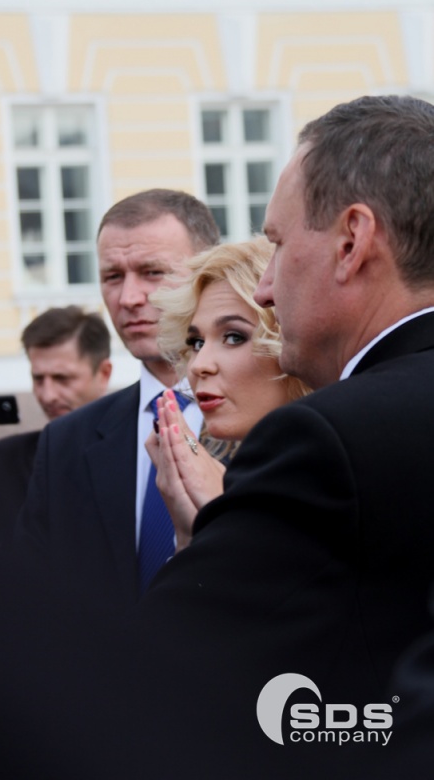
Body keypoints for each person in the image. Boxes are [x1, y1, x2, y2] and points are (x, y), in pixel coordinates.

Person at [125, 94, 434, 775]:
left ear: (352, 242)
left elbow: (165, 673)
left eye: (278, 245)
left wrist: (211, 539)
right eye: (195, 341)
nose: (266, 288)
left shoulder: (328, 436)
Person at [16, 188, 220, 608]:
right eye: (112, 276)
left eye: (152, 272)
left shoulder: (277, 421)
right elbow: (29, 596)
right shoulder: (64, 443)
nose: (128, 298)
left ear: (208, 273)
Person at [145, 238, 309, 550]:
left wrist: (223, 522)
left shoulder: (337, 483)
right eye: (196, 343)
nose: (199, 365)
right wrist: (189, 536)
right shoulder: (241, 478)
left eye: (234, 337)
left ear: (292, 341)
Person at [0, 305, 112, 545]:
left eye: (62, 378)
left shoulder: (143, 453)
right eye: (38, 379)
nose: (47, 395)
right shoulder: (6, 458)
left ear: (103, 374)